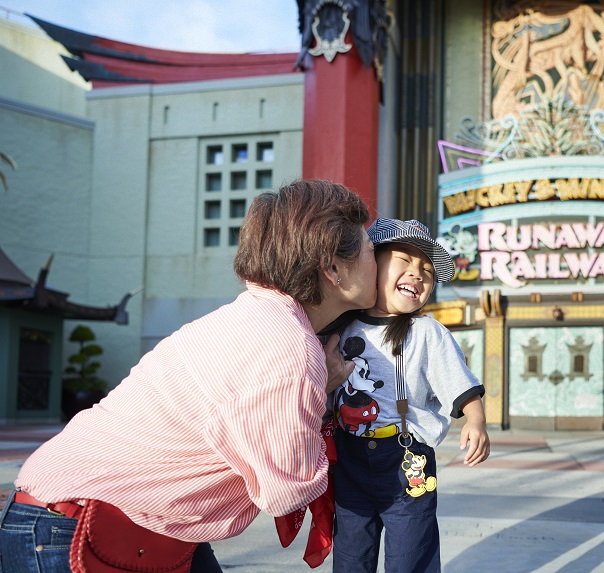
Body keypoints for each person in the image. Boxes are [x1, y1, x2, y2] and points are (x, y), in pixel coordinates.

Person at [0, 179, 378, 572]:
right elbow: (286, 490)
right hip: (81, 523)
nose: (379, 261)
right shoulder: (289, 349)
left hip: (104, 514)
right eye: (371, 250)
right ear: (332, 268)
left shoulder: (255, 317)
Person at [330, 218, 491, 573]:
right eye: (404, 261)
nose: (417, 274)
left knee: (410, 555)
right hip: (349, 458)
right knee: (351, 554)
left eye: (427, 270)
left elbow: (460, 384)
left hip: (406, 459)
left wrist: (476, 420)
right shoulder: (340, 327)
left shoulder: (427, 332)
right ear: (370, 265)